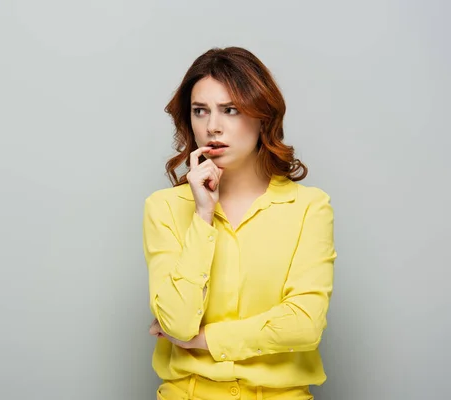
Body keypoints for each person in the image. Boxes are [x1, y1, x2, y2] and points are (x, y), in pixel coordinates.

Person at [142, 46, 337, 400]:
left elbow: (304, 325)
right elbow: (176, 322)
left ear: (263, 116)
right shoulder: (165, 208)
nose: (212, 127)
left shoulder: (309, 207)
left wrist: (204, 341)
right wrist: (202, 215)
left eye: (230, 110)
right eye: (200, 111)